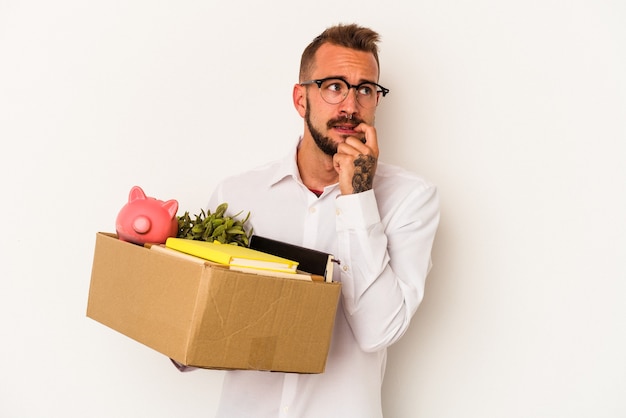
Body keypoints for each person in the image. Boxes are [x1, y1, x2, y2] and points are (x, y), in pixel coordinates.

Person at [206, 23, 440, 418]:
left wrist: (359, 196)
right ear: (301, 99)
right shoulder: (237, 196)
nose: (350, 105)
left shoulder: (411, 199)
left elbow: (377, 332)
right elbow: (207, 321)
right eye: (334, 86)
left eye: (365, 89)